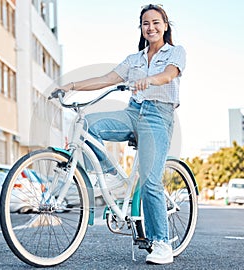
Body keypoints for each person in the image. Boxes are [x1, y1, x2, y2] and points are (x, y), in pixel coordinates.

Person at [53, 4, 186, 265]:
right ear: (141, 28)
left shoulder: (176, 52)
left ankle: (161, 243)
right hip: (132, 112)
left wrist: (149, 80)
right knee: (87, 125)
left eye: (156, 22)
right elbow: (106, 78)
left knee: (150, 181)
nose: (151, 27)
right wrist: (70, 86)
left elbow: (170, 75)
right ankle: (112, 176)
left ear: (166, 26)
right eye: (146, 23)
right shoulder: (134, 59)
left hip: (158, 117)